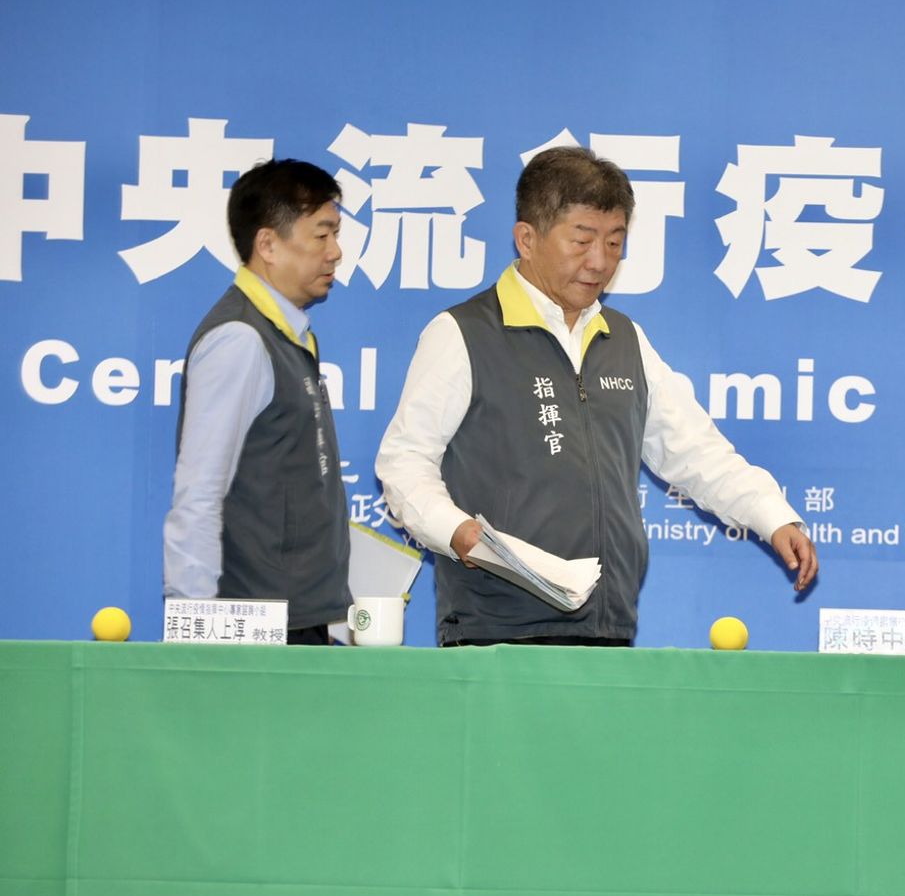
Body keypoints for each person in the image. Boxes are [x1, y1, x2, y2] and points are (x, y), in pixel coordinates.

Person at [376, 146, 817, 647]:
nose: (600, 262)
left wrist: (771, 515)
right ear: (527, 239)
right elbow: (404, 463)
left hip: (607, 626)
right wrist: (456, 532)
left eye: (614, 242)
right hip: (497, 630)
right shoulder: (463, 333)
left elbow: (696, 451)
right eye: (582, 241)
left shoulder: (625, 340)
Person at [162, 159, 351, 645]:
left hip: (297, 618)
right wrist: (195, 639)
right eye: (322, 235)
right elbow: (199, 493)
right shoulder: (240, 339)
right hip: (254, 630)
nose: (336, 252)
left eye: (336, 234)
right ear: (267, 244)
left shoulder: (288, 335)